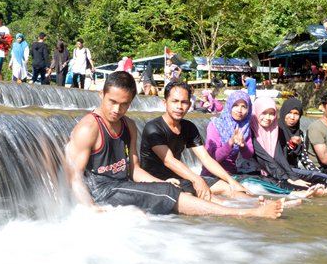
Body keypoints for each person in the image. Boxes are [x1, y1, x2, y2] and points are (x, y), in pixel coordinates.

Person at [64, 71, 284, 218]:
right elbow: (73, 176)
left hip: (123, 185)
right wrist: (90, 208)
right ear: (101, 95)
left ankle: (249, 203)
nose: (116, 110)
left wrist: (155, 185)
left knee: (172, 188)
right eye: (111, 102)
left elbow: (134, 170)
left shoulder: (129, 125)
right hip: (102, 191)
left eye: (124, 105)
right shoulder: (89, 127)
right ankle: (245, 214)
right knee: (169, 190)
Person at [140, 82, 254, 202]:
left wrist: (232, 182)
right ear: (165, 103)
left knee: (229, 188)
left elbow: (206, 158)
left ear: (189, 105)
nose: (179, 106)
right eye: (175, 101)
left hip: (180, 177)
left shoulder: (189, 127)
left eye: (184, 102)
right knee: (212, 200)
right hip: (154, 182)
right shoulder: (153, 128)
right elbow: (169, 161)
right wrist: (197, 180)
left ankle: (262, 205)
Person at [278, 98, 327, 189]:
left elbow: (305, 159)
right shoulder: (276, 130)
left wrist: (318, 173)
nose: (292, 117)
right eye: (289, 113)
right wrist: (291, 145)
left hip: (294, 169)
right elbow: (278, 155)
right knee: (324, 183)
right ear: (283, 112)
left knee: (322, 179)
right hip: (281, 170)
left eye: (296, 114)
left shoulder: (299, 134)